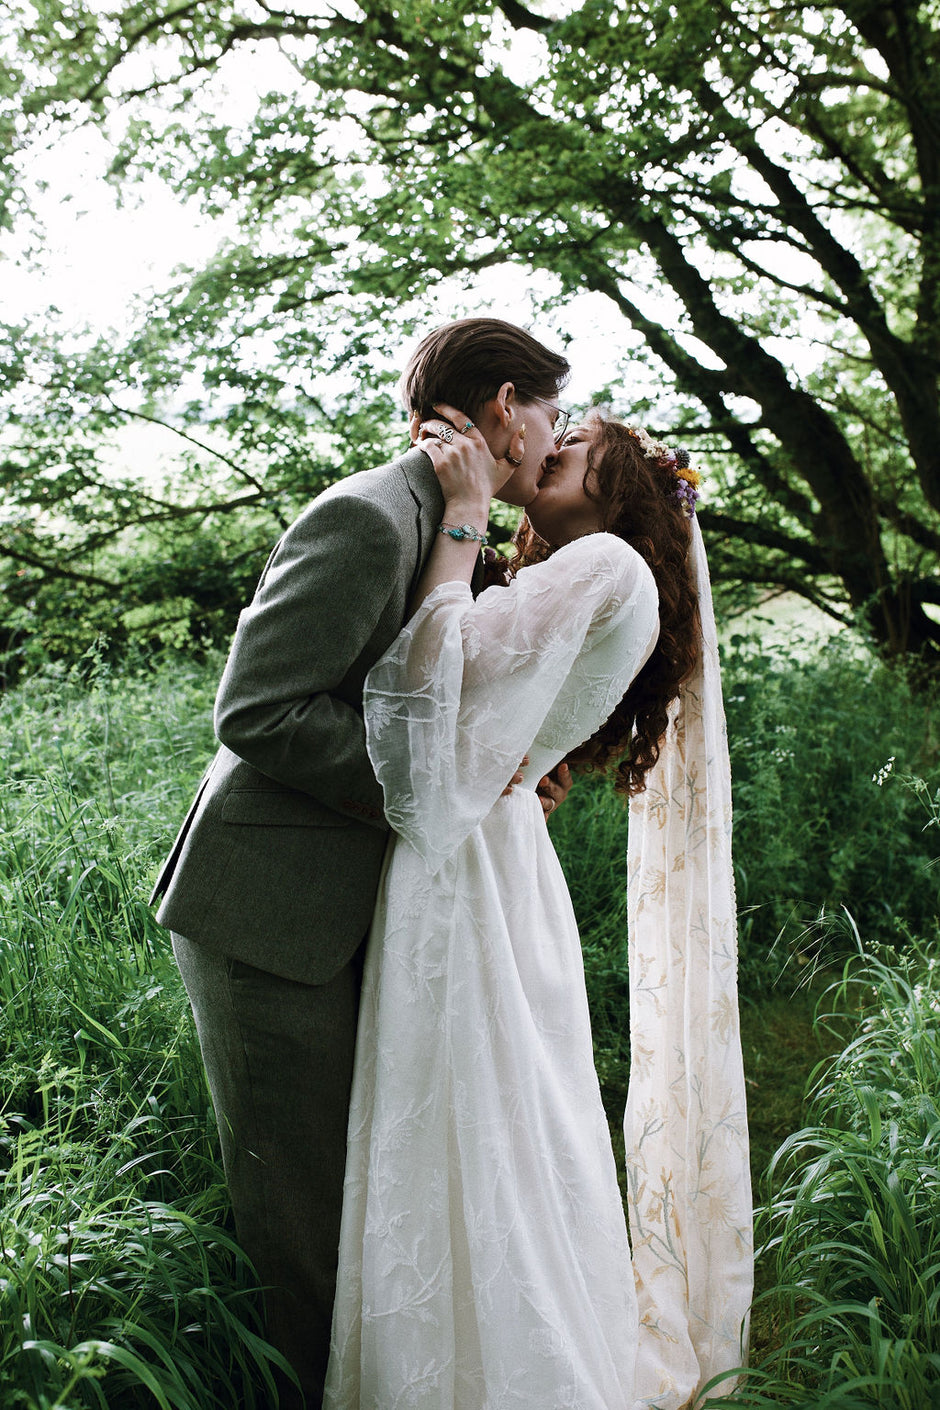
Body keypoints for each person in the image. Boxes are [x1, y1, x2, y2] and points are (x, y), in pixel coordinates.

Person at [150, 319, 575, 1409]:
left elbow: (429, 704)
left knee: (363, 1206)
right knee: (302, 1225)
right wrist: (450, 780)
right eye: (553, 413)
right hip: (270, 918)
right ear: (507, 406)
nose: (555, 435)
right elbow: (258, 711)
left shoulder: (449, 527)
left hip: (359, 910)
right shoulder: (371, 516)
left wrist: (502, 770)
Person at [323, 410, 753, 1408]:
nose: (545, 451)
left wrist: (461, 518)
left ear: (619, 487)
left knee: (468, 1118)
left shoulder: (603, 561)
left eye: (572, 449)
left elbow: (433, 679)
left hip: (469, 866)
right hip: (501, 858)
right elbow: (502, 714)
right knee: (508, 1124)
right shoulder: (603, 576)